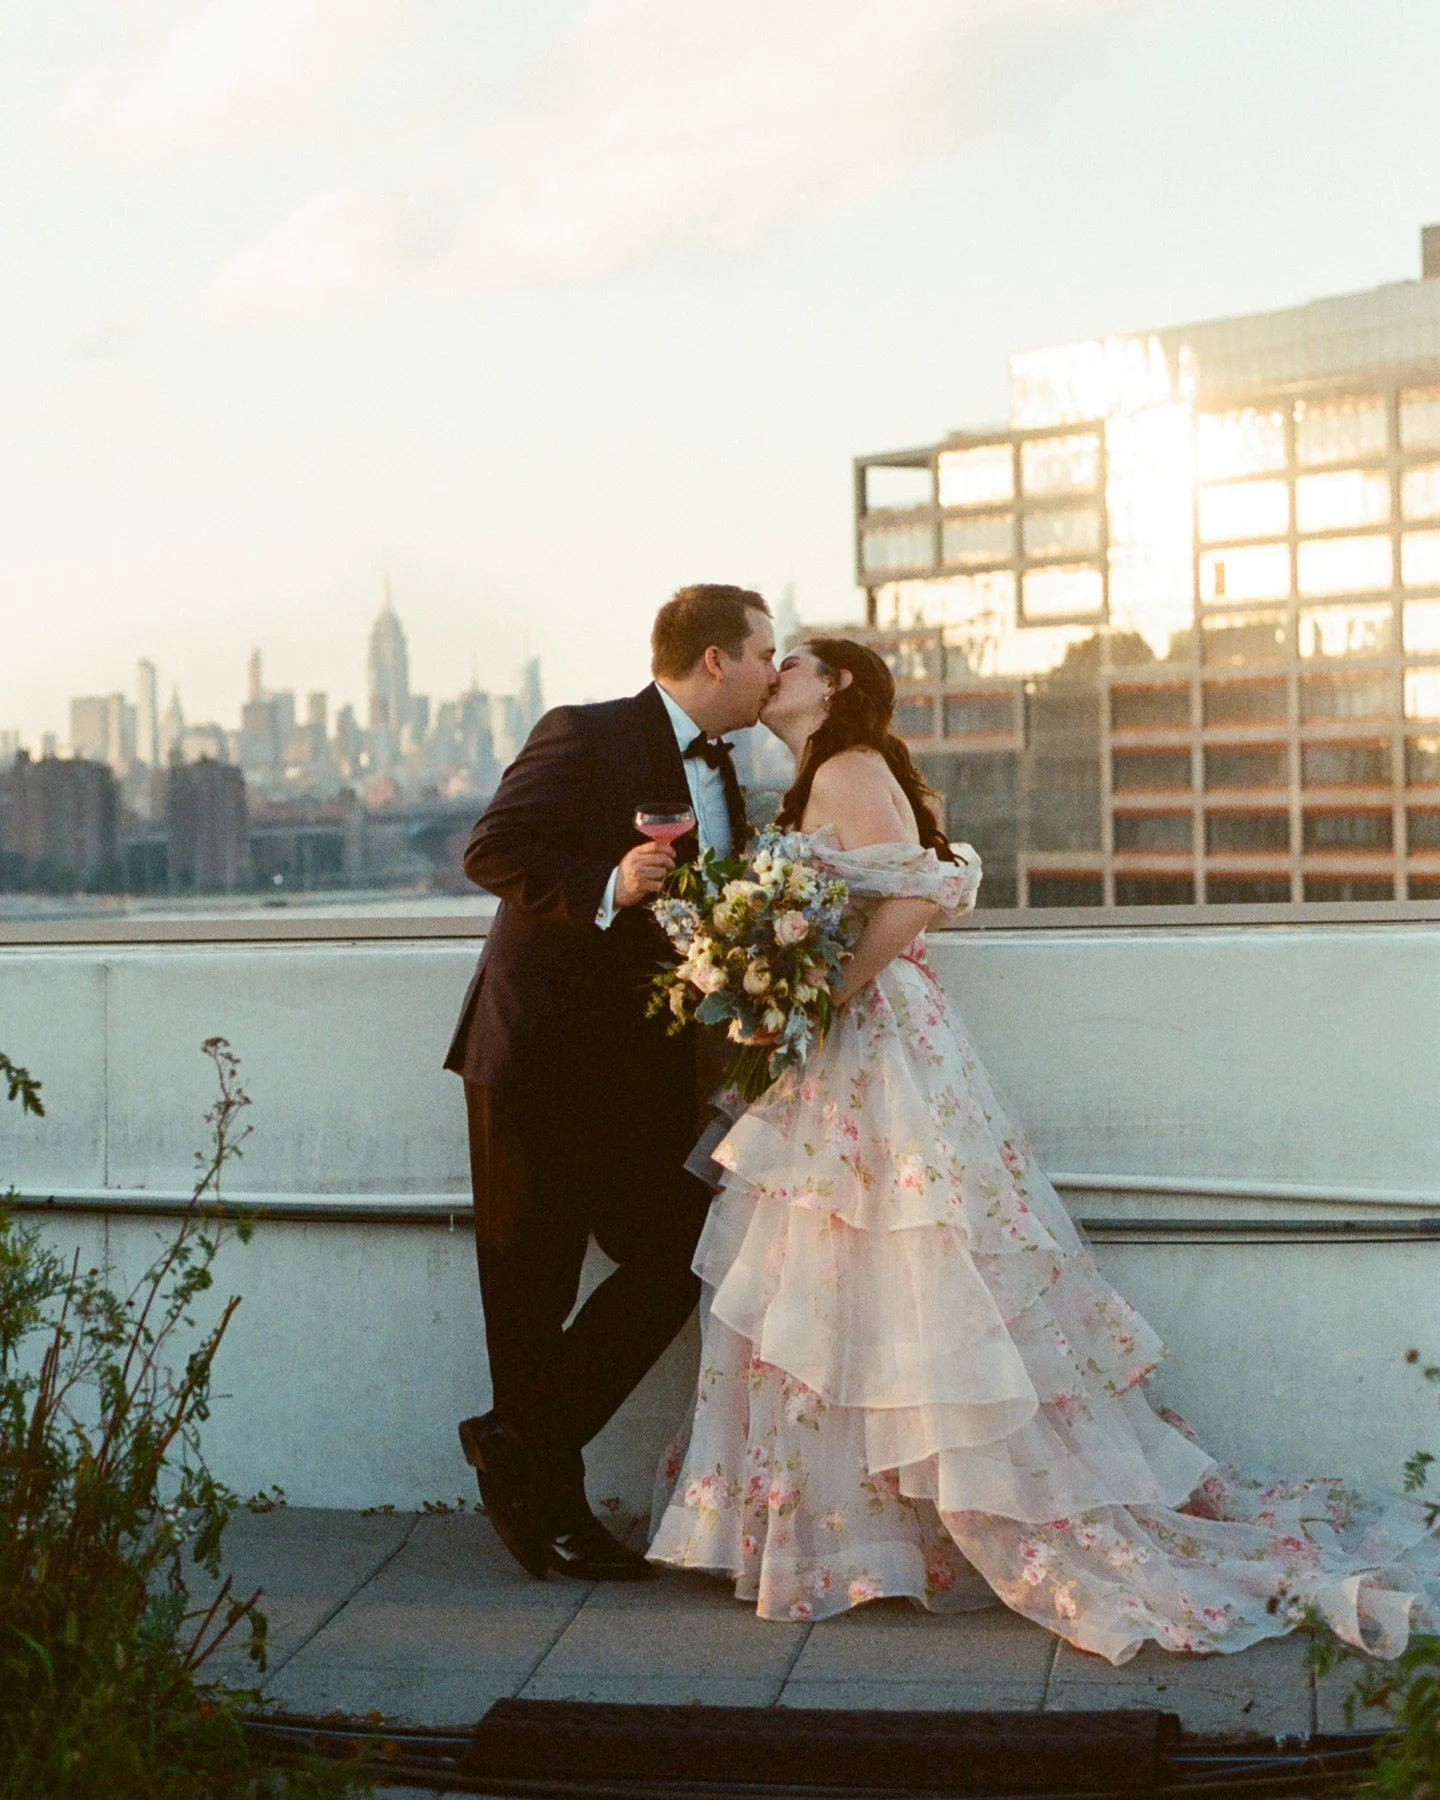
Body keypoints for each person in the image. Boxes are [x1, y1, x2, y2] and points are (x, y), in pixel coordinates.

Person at [648, 635, 1440, 1663]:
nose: (776, 671)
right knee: (834, 1267)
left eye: (792, 659)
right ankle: (856, 1529)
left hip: (874, 1041)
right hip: (839, 1048)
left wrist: (821, 994)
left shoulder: (849, 765)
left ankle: (891, 1530)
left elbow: (920, 894)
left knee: (896, 1257)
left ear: (834, 685)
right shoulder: (814, 777)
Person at [445, 584, 777, 1581]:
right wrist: (609, 882)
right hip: (537, 1061)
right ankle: (557, 1516)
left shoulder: (729, 773)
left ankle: (515, 1440)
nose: (772, 670)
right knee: (529, 1292)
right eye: (765, 653)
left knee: (677, 1254)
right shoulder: (584, 733)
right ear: (715, 660)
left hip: (645, 1075)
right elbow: (492, 850)